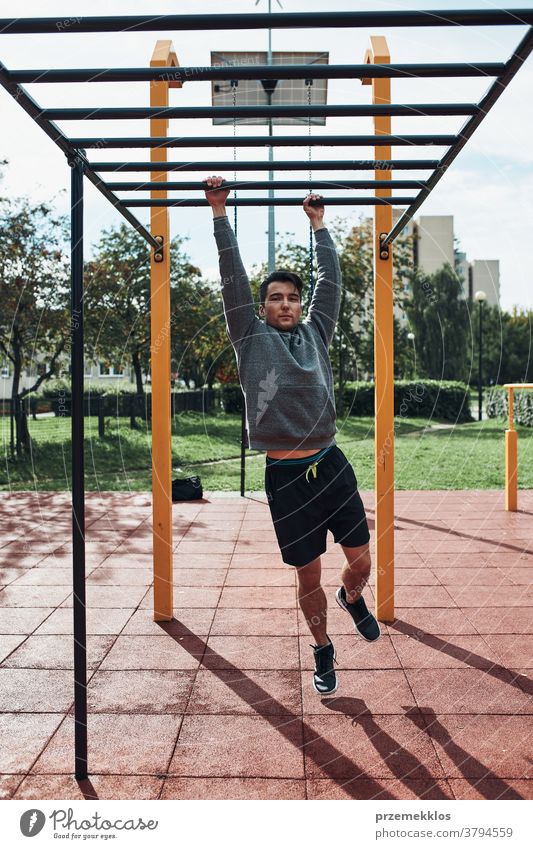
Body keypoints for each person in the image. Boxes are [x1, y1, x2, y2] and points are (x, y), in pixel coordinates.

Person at [204, 176, 380, 697]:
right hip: (284, 476)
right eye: (275, 298)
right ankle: (323, 649)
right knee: (308, 578)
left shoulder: (315, 333)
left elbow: (332, 281)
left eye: (292, 298)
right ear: (261, 308)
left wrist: (318, 225)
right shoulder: (249, 335)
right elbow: (232, 278)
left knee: (362, 560)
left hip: (330, 464)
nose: (285, 304)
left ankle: (353, 598)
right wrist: (219, 212)